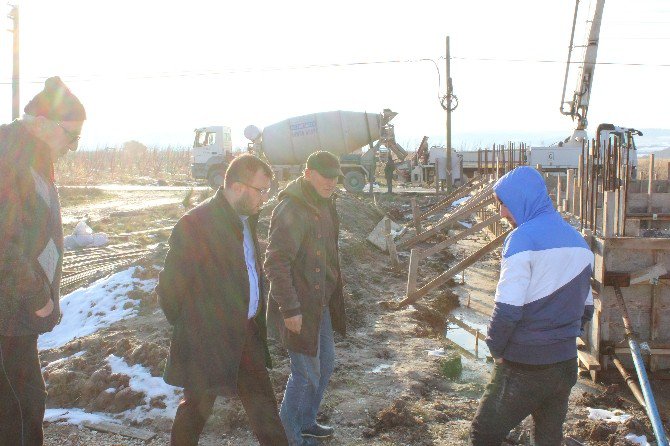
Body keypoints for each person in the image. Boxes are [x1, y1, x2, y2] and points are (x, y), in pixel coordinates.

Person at [157, 154, 288, 446]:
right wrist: (194, 326)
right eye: (262, 190)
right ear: (239, 187)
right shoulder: (196, 223)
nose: (265, 198)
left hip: (247, 334)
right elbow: (169, 288)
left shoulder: (246, 220)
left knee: (264, 408)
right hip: (209, 339)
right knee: (195, 411)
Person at [470, 166, 594, 446]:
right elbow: (587, 309)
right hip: (565, 366)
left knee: (484, 434)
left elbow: (508, 309)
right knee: (547, 438)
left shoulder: (522, 239)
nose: (502, 213)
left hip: (526, 366)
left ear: (521, 199)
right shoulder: (579, 242)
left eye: (504, 204)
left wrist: (496, 349)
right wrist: (561, 340)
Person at [0, 77, 86, 446]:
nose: (72, 147)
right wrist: (38, 295)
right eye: (71, 137)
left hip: (17, 312)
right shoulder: (9, 156)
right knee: (16, 409)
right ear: (43, 123)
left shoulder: (31, 156)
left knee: (25, 404)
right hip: (10, 307)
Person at [265, 151, 346, 446]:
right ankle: (287, 437)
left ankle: (307, 422)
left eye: (335, 177)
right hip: (298, 306)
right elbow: (276, 262)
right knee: (305, 374)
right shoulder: (292, 208)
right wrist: (290, 308)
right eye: (326, 176)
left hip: (320, 303)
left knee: (325, 365)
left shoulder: (324, 203)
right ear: (308, 173)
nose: (331, 182)